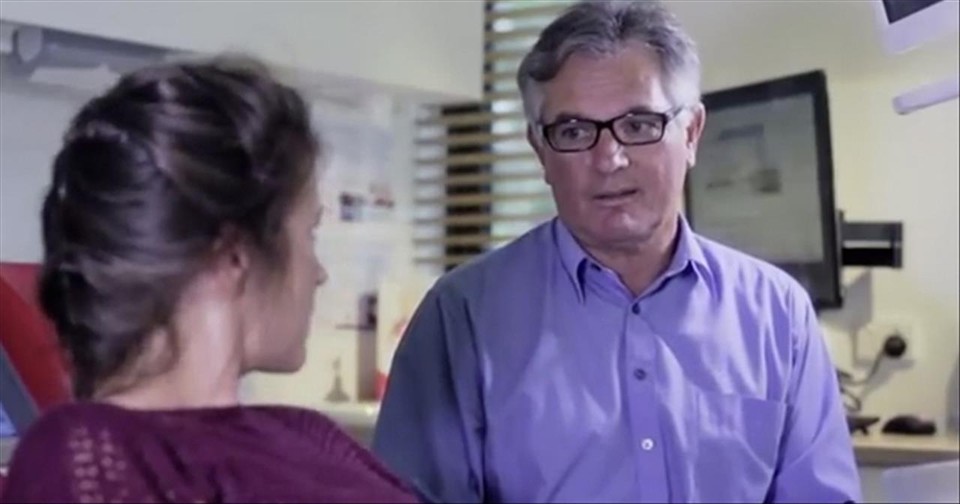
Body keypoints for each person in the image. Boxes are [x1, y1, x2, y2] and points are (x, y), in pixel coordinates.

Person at [371, 1, 861, 503]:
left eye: (639, 124)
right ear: (540, 151)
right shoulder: (461, 318)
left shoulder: (779, 316)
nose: (609, 159)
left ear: (691, 133)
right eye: (574, 132)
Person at [0, 56, 418, 504]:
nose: (319, 273)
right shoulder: (89, 455)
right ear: (233, 254)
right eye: (308, 234)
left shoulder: (309, 434)